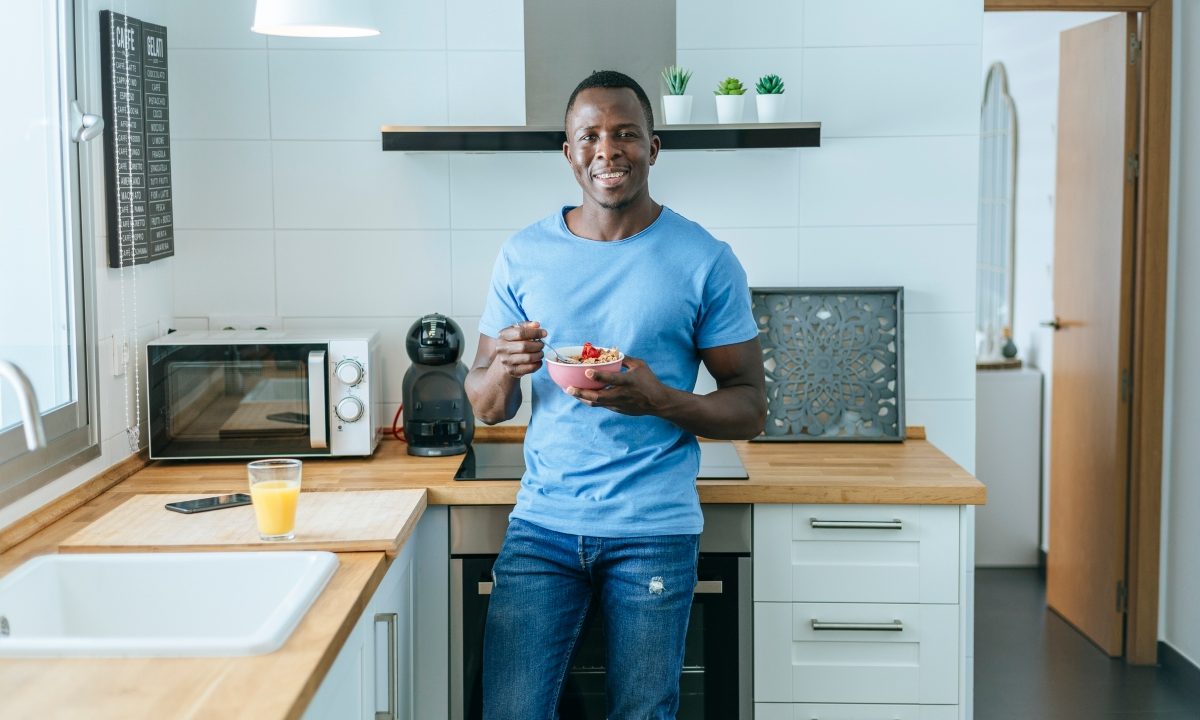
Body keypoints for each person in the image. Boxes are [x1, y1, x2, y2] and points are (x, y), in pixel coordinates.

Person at [465, 69, 767, 720]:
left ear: (653, 149)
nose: (608, 150)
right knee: (511, 711)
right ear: (569, 152)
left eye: (626, 133)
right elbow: (486, 405)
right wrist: (501, 370)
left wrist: (658, 399)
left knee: (643, 713)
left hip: (654, 530)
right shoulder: (522, 255)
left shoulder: (705, 259)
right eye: (590, 135)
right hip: (543, 525)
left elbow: (750, 405)